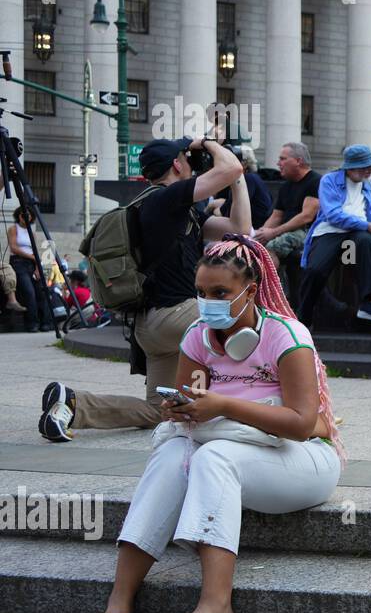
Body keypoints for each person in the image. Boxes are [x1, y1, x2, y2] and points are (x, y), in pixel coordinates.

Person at [86, 234, 343, 613]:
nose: (209, 303)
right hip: (236, 450)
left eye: (220, 293)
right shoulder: (197, 336)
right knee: (172, 453)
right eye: (202, 293)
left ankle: (217, 610)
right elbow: (192, 401)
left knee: (213, 456)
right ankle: (120, 600)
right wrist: (183, 408)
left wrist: (224, 405)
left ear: (251, 290)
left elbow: (303, 424)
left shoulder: (286, 336)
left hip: (304, 460)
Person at [39, 137, 250, 442]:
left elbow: (240, 229)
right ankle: (265, 405)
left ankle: (72, 403)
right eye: (186, 158)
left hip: (150, 327)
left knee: (160, 411)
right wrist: (208, 144)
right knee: (246, 312)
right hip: (179, 315)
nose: (191, 162)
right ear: (177, 164)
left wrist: (238, 177)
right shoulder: (167, 198)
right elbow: (227, 168)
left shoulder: (169, 208)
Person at [299, 144, 371, 328]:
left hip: (358, 232)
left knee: (366, 241)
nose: (369, 171)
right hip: (330, 230)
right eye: (365, 167)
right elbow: (333, 215)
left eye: (370, 167)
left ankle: (367, 302)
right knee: (315, 270)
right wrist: (367, 224)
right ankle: (303, 317)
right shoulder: (329, 181)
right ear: (350, 167)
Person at [253, 142, 321, 272]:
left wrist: (272, 233)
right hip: (287, 230)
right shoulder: (286, 186)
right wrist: (260, 234)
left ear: (298, 161)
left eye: (282, 159)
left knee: (272, 247)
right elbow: (276, 216)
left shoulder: (316, 181)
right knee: (254, 244)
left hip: (309, 231)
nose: (278, 163)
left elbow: (306, 217)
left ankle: (275, 290)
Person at [7, 207, 53, 333]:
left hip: (32, 264)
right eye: (23, 215)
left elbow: (35, 251)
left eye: (28, 215)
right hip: (18, 262)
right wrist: (31, 257)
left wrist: (38, 267)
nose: (26, 217)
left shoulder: (31, 233)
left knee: (42, 291)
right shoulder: (13, 229)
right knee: (29, 291)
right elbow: (13, 248)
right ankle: (32, 323)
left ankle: (45, 322)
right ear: (18, 216)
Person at [217, 145, 273, 231]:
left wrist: (216, 209)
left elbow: (227, 211)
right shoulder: (253, 178)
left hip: (254, 230)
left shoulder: (248, 179)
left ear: (244, 164)